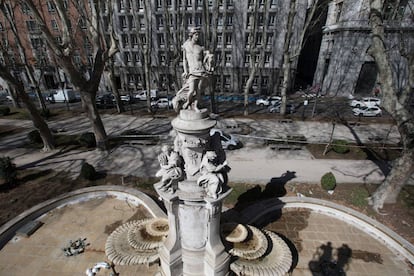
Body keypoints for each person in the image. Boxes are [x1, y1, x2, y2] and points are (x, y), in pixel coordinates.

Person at [173, 27, 214, 112]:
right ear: (191, 35)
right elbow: (184, 59)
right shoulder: (186, 46)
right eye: (196, 35)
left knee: (199, 91)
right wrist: (185, 71)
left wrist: (209, 58)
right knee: (191, 90)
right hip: (192, 72)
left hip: (201, 71)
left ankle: (195, 106)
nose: (197, 36)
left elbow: (204, 59)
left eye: (198, 35)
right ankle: (188, 102)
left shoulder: (200, 47)